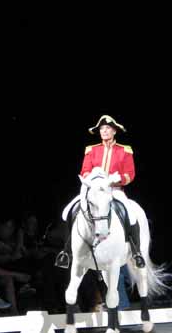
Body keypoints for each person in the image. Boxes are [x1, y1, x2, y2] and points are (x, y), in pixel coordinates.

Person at [56, 115, 148, 269]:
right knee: (68, 211)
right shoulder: (92, 150)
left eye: (107, 129)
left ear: (114, 131)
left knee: (131, 215)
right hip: (94, 191)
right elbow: (85, 170)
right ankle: (66, 251)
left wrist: (117, 180)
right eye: (102, 129)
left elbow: (130, 174)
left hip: (114, 190)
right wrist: (92, 181)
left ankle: (136, 251)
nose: (104, 131)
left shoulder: (124, 151)